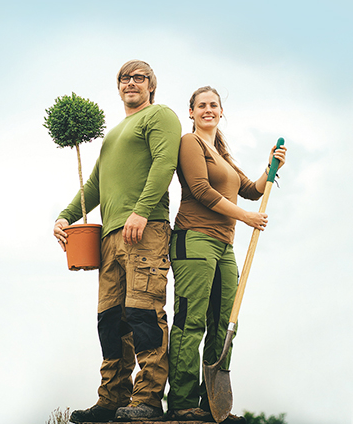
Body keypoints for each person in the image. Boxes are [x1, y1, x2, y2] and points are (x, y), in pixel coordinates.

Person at [53, 61, 181, 423]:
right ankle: (111, 398)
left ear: (151, 85)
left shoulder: (159, 115)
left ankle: (149, 399)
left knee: (143, 312)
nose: (131, 84)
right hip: (109, 237)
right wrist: (65, 216)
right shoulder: (113, 134)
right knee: (110, 320)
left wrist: (141, 211)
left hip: (145, 230)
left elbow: (164, 162)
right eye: (125, 78)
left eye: (139, 78)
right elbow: (94, 185)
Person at [167, 86, 286, 422]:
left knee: (225, 323)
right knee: (191, 321)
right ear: (191, 112)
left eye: (214, 105)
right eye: (201, 105)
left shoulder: (222, 154)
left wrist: (271, 167)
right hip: (195, 240)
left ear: (221, 112)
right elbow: (201, 190)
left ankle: (212, 403)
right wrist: (246, 217)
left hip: (224, 248)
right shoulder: (189, 143)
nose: (208, 110)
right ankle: (183, 401)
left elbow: (250, 189)